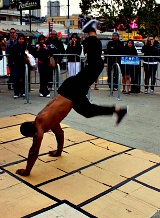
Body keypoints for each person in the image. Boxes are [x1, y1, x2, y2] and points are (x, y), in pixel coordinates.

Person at [17, 21, 127, 177]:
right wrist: (58, 152)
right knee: (88, 110)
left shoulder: (40, 127)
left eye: (34, 137)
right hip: (69, 93)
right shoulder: (47, 122)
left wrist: (27, 171)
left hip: (71, 91)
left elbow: (34, 151)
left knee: (96, 65)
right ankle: (117, 111)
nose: (36, 139)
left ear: (32, 134)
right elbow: (60, 134)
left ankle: (91, 32)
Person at [8, 33, 27, 99]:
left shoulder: (26, 46)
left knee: (23, 79)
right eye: (20, 39)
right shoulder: (15, 46)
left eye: (22, 39)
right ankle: (16, 92)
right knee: (16, 78)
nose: (21, 40)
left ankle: (23, 92)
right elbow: (11, 55)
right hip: (16, 64)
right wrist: (12, 62)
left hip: (24, 64)